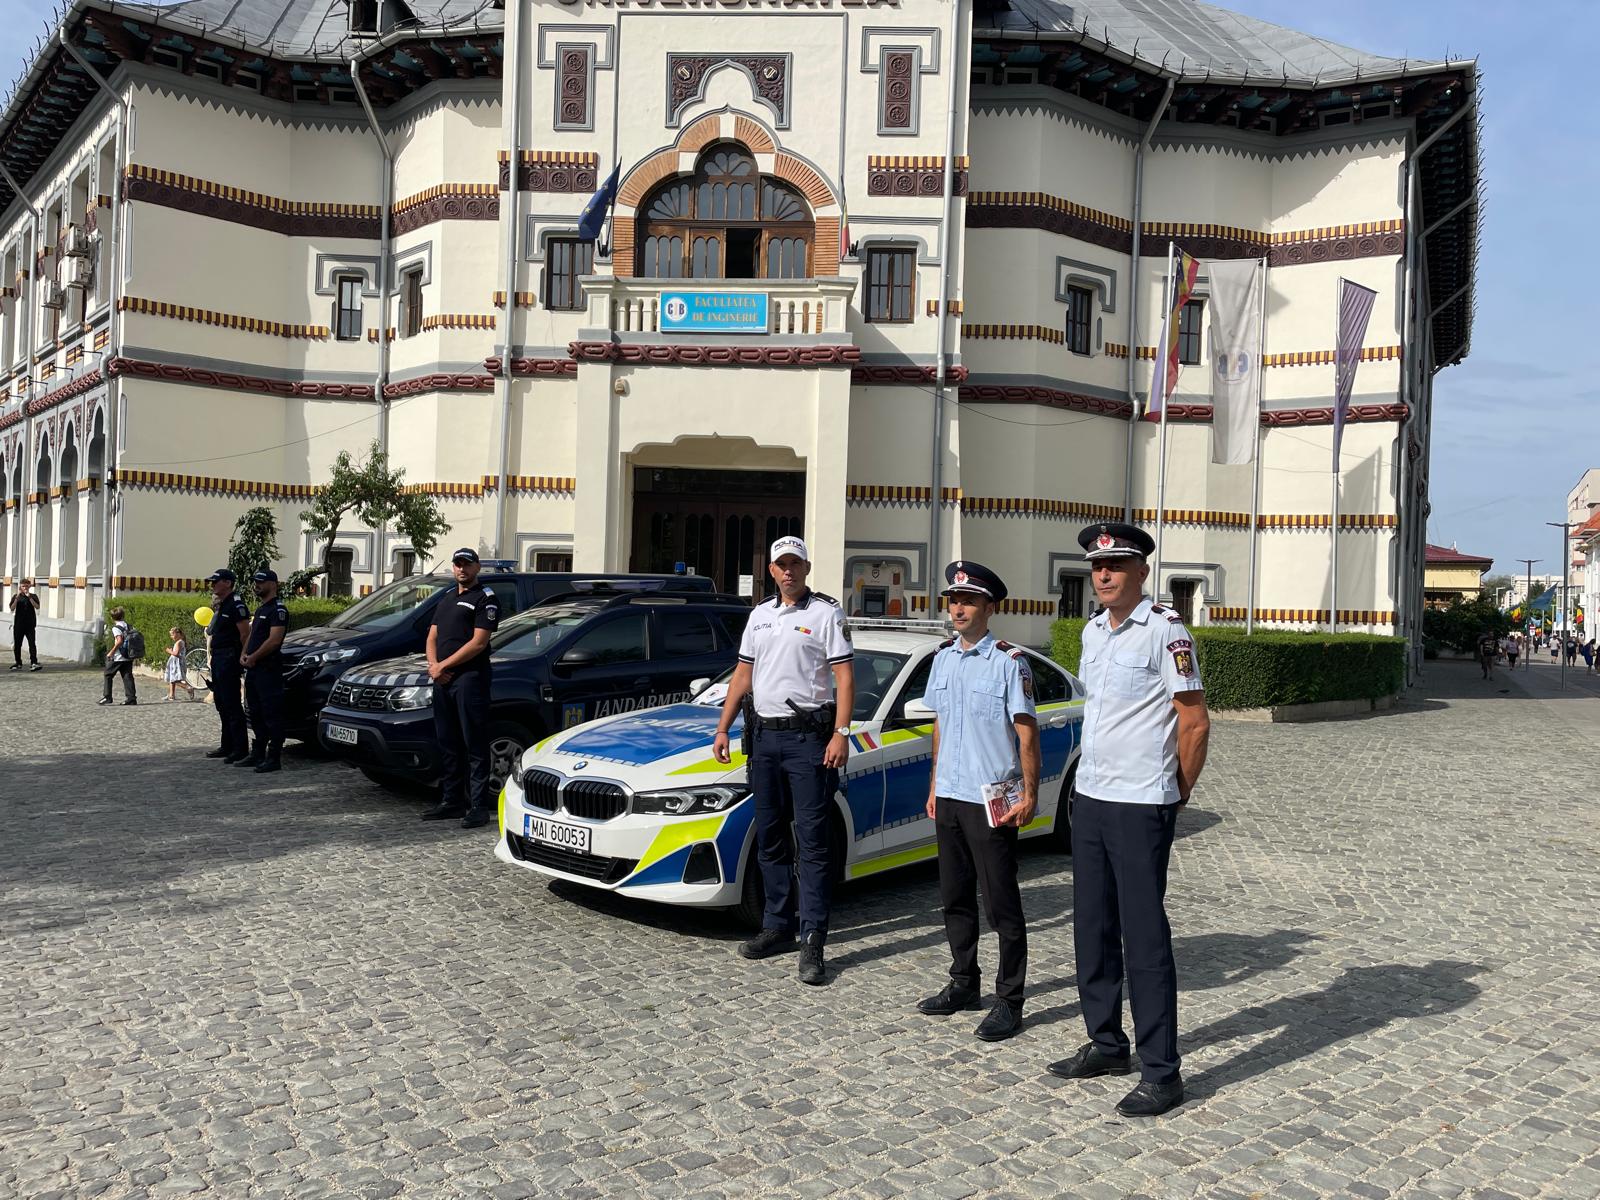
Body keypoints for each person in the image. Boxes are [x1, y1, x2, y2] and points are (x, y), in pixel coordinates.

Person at [1047, 522, 1210, 1119]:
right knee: (1091, 928)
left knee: (1143, 938)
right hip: (1090, 796)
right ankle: (1106, 1043)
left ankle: (1162, 1072)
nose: (1104, 574)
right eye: (1097, 566)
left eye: (1116, 565)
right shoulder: (1092, 631)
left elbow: (1194, 721)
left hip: (1141, 802)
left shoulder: (1166, 631)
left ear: (1142, 571)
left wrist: (1176, 792)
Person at [713, 535, 854, 987]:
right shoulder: (759, 615)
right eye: (781, 565)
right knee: (770, 837)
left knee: (812, 843)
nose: (788, 571)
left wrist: (841, 733)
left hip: (808, 740)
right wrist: (723, 727)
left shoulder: (826, 613)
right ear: (771, 570)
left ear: (806, 568)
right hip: (764, 740)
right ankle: (778, 925)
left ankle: (813, 939)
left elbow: (844, 676)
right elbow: (743, 674)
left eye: (795, 563)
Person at [915, 560, 1040, 1042]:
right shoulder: (943, 658)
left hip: (992, 799)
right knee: (954, 897)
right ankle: (964, 983)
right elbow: (940, 725)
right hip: (950, 793)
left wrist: (1030, 793)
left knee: (1002, 904)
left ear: (989, 608)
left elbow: (1025, 733)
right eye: (954, 601)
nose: (959, 609)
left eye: (969, 601)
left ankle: (1010, 1000)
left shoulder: (1010, 662)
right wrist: (933, 785)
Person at [423, 547, 500, 827]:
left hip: (470, 679)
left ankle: (478, 807)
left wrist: (443, 666)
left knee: (474, 744)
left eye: (467, 564)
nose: (462, 569)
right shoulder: (447, 598)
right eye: (458, 564)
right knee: (448, 742)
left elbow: (478, 643)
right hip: (443, 680)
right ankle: (452, 801)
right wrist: (435, 667)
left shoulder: (485, 599)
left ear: (477, 567)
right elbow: (432, 636)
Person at [237, 570, 290, 772]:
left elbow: (274, 640)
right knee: (255, 712)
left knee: (271, 713)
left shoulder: (278, 609)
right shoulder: (261, 609)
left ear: (273, 584)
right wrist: (244, 653)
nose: (256, 585)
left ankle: (273, 757)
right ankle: (258, 752)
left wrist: (254, 657)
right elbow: (252, 635)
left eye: (261, 582)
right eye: (255, 582)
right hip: (254, 669)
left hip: (268, 669)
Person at [204, 568, 252, 762]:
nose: (212, 585)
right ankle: (227, 745)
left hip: (229, 658)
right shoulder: (223, 604)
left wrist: (242, 655)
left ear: (228, 583)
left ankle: (240, 748)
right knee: (221, 703)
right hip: (219, 658)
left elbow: (245, 634)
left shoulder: (236, 605)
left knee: (232, 704)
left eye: (216, 582)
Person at [98, 605, 137, 706]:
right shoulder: (129, 626)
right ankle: (131, 698)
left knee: (108, 674)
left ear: (112, 618)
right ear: (123, 616)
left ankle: (107, 697)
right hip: (128, 655)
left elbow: (119, 641)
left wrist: (111, 652)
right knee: (127, 676)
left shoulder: (116, 628)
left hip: (119, 656)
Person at [9, 578, 41, 671]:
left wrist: (29, 597)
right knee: (17, 645)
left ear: (29, 586)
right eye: (23, 586)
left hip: (30, 624)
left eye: (27, 586)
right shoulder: (16, 596)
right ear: (20, 587)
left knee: (32, 644)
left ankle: (34, 662)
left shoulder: (33, 596)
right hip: (19, 624)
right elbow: (12, 608)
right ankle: (18, 663)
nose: (25, 588)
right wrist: (16, 598)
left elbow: (37, 606)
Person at [164, 627, 197, 701]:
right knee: (172, 678)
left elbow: (176, 654)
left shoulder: (179, 642)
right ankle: (171, 695)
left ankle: (188, 688)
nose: (171, 637)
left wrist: (169, 651)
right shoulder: (180, 642)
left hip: (177, 663)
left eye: (172, 635)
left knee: (175, 679)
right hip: (175, 663)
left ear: (178, 634)